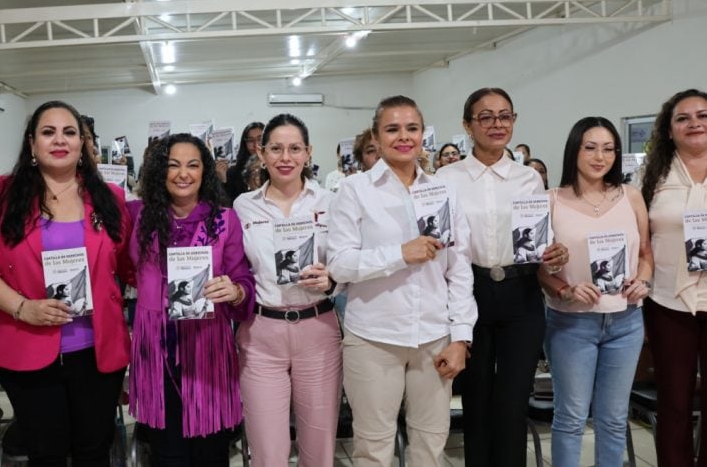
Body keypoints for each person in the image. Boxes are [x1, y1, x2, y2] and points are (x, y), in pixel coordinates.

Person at [0, 100, 131, 465]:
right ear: (32, 143)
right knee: (46, 454)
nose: (60, 140)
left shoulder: (110, 197)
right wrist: (22, 307)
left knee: (94, 451)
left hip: (97, 352)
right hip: (27, 349)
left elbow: (130, 264)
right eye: (48, 132)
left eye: (70, 132)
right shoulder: (3, 195)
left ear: (83, 144)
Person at [327, 95, 477, 466]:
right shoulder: (354, 190)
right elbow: (340, 264)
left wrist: (461, 337)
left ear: (423, 134)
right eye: (392, 129)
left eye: (412, 128)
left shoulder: (443, 190)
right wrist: (399, 254)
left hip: (433, 337)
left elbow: (459, 268)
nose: (403, 137)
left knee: (430, 444)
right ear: (375, 138)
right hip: (374, 338)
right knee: (373, 447)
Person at [437, 87, 569, 467]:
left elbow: (539, 242)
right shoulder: (446, 178)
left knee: (513, 399)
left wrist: (555, 255)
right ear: (467, 125)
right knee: (476, 398)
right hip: (469, 290)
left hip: (521, 293)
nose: (497, 124)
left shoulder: (528, 179)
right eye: (486, 117)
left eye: (505, 116)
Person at [128, 133, 255, 467]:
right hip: (156, 351)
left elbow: (242, 279)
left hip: (207, 349)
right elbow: (126, 270)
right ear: (160, 172)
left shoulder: (225, 220)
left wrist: (235, 290)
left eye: (193, 165)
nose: (183, 173)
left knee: (210, 451)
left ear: (205, 172)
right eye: (173, 165)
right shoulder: (141, 218)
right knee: (167, 453)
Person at [537, 116, 652, 467]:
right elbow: (539, 270)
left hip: (626, 321)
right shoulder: (551, 200)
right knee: (571, 418)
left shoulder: (630, 196)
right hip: (572, 324)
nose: (599, 156)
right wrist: (566, 289)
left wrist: (643, 281)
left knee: (614, 419)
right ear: (574, 150)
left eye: (608, 149)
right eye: (590, 147)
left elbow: (646, 253)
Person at [234, 113, 342, 467]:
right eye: (276, 148)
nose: (285, 157)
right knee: (268, 451)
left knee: (319, 446)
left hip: (318, 328)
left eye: (295, 148)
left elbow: (349, 261)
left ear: (308, 153)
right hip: (261, 334)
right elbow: (238, 268)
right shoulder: (242, 206)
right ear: (261, 153)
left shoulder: (330, 202)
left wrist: (333, 278)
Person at [639, 88, 707, 466]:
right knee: (675, 401)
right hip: (668, 300)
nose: (694, 123)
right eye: (683, 118)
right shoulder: (653, 175)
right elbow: (638, 235)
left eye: (702, 115)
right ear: (668, 129)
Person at [222, 122, 265, 202]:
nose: (256, 144)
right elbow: (227, 203)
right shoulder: (234, 172)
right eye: (250, 140)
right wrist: (223, 179)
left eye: (260, 139)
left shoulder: (276, 168)